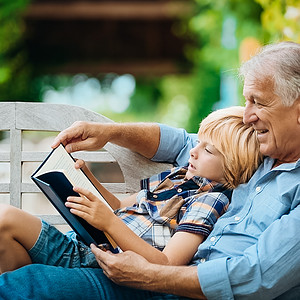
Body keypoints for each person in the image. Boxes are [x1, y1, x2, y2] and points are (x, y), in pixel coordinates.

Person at [0, 41, 299, 300]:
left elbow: (256, 277)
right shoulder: (258, 150)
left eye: (258, 102)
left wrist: (149, 276)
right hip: (128, 268)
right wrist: (106, 133)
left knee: (27, 285)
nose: (247, 116)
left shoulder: (230, 177)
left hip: (157, 283)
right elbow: (180, 142)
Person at [0, 106, 261, 272]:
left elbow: (167, 264)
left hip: (93, 259)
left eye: (207, 150)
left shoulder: (209, 201)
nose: (193, 151)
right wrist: (85, 176)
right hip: (80, 240)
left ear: (232, 167)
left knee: (5, 219)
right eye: (199, 141)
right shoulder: (179, 177)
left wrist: (110, 223)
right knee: (8, 246)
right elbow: (118, 205)